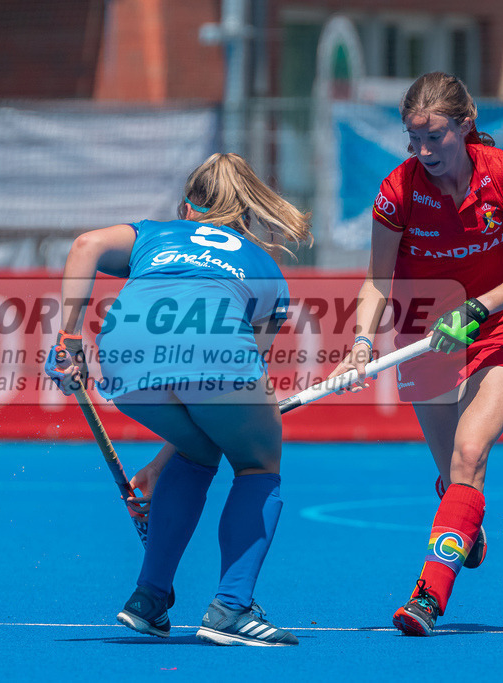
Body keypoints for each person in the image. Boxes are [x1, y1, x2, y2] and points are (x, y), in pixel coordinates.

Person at [44, 153, 311, 646]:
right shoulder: (264, 265)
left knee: (197, 451)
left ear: (188, 206)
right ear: (245, 214)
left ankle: (148, 599)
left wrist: (69, 339)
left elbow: (85, 245)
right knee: (258, 463)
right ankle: (231, 609)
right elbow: (240, 374)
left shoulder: (154, 233)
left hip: (123, 353)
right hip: (218, 350)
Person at [329, 72, 503, 636]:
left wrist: (478, 308)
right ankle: (464, 519)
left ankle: (428, 597)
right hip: (423, 337)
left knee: (469, 454)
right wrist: (360, 345)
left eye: (436, 138)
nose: (424, 151)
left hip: (494, 329)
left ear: (465, 126)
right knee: (451, 474)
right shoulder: (397, 191)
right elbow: (378, 281)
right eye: (414, 140)